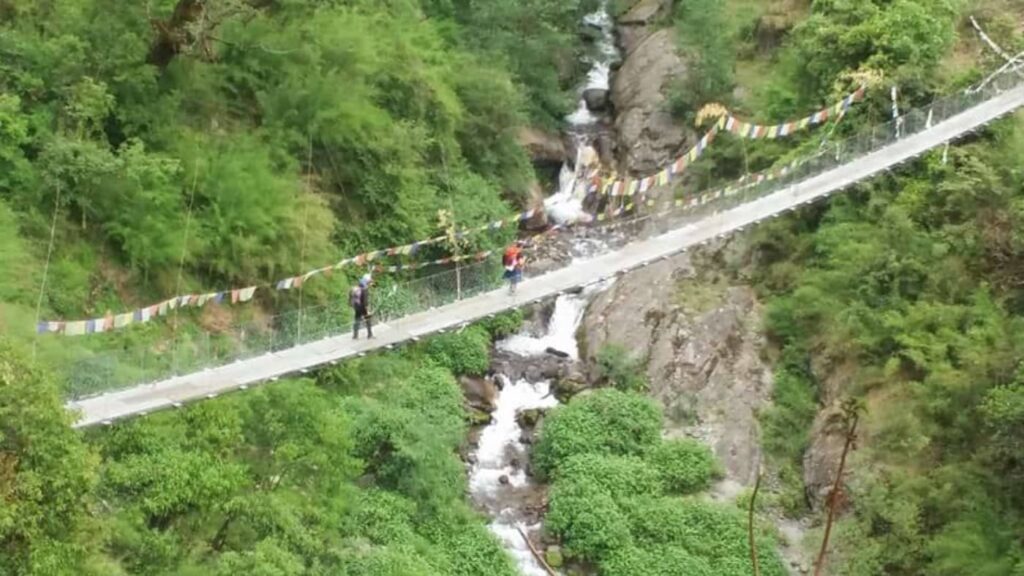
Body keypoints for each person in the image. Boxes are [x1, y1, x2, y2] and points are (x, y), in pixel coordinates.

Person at [350, 274, 373, 339]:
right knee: (368, 320)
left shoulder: (357, 287)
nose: (370, 283)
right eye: (369, 281)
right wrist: (367, 309)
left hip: (357, 306)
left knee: (357, 320)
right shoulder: (365, 289)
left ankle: (355, 335)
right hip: (363, 307)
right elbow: (365, 301)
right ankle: (370, 335)